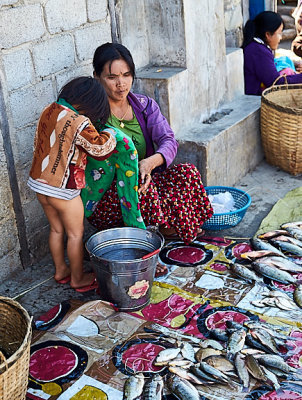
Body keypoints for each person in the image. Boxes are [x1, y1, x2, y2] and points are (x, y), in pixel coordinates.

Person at [81, 42, 213, 253]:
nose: (121, 84)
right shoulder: (92, 118)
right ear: (97, 77)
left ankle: (168, 226)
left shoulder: (144, 105)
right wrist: (134, 173)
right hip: (110, 197)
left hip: (143, 177)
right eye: (112, 77)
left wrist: (150, 163)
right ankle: (152, 235)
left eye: (126, 75)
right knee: (144, 188)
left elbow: (169, 140)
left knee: (186, 172)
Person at [27, 77, 118, 292]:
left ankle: (61, 271)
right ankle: (78, 278)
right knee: (76, 234)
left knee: (56, 229)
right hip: (63, 189)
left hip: (40, 184)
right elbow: (100, 148)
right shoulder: (79, 122)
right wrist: (111, 133)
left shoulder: (49, 110)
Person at [242, 11, 302, 95]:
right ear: (268, 35)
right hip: (255, 100)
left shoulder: (256, 47)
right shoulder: (258, 51)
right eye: (279, 33)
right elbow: (277, 83)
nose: (280, 38)